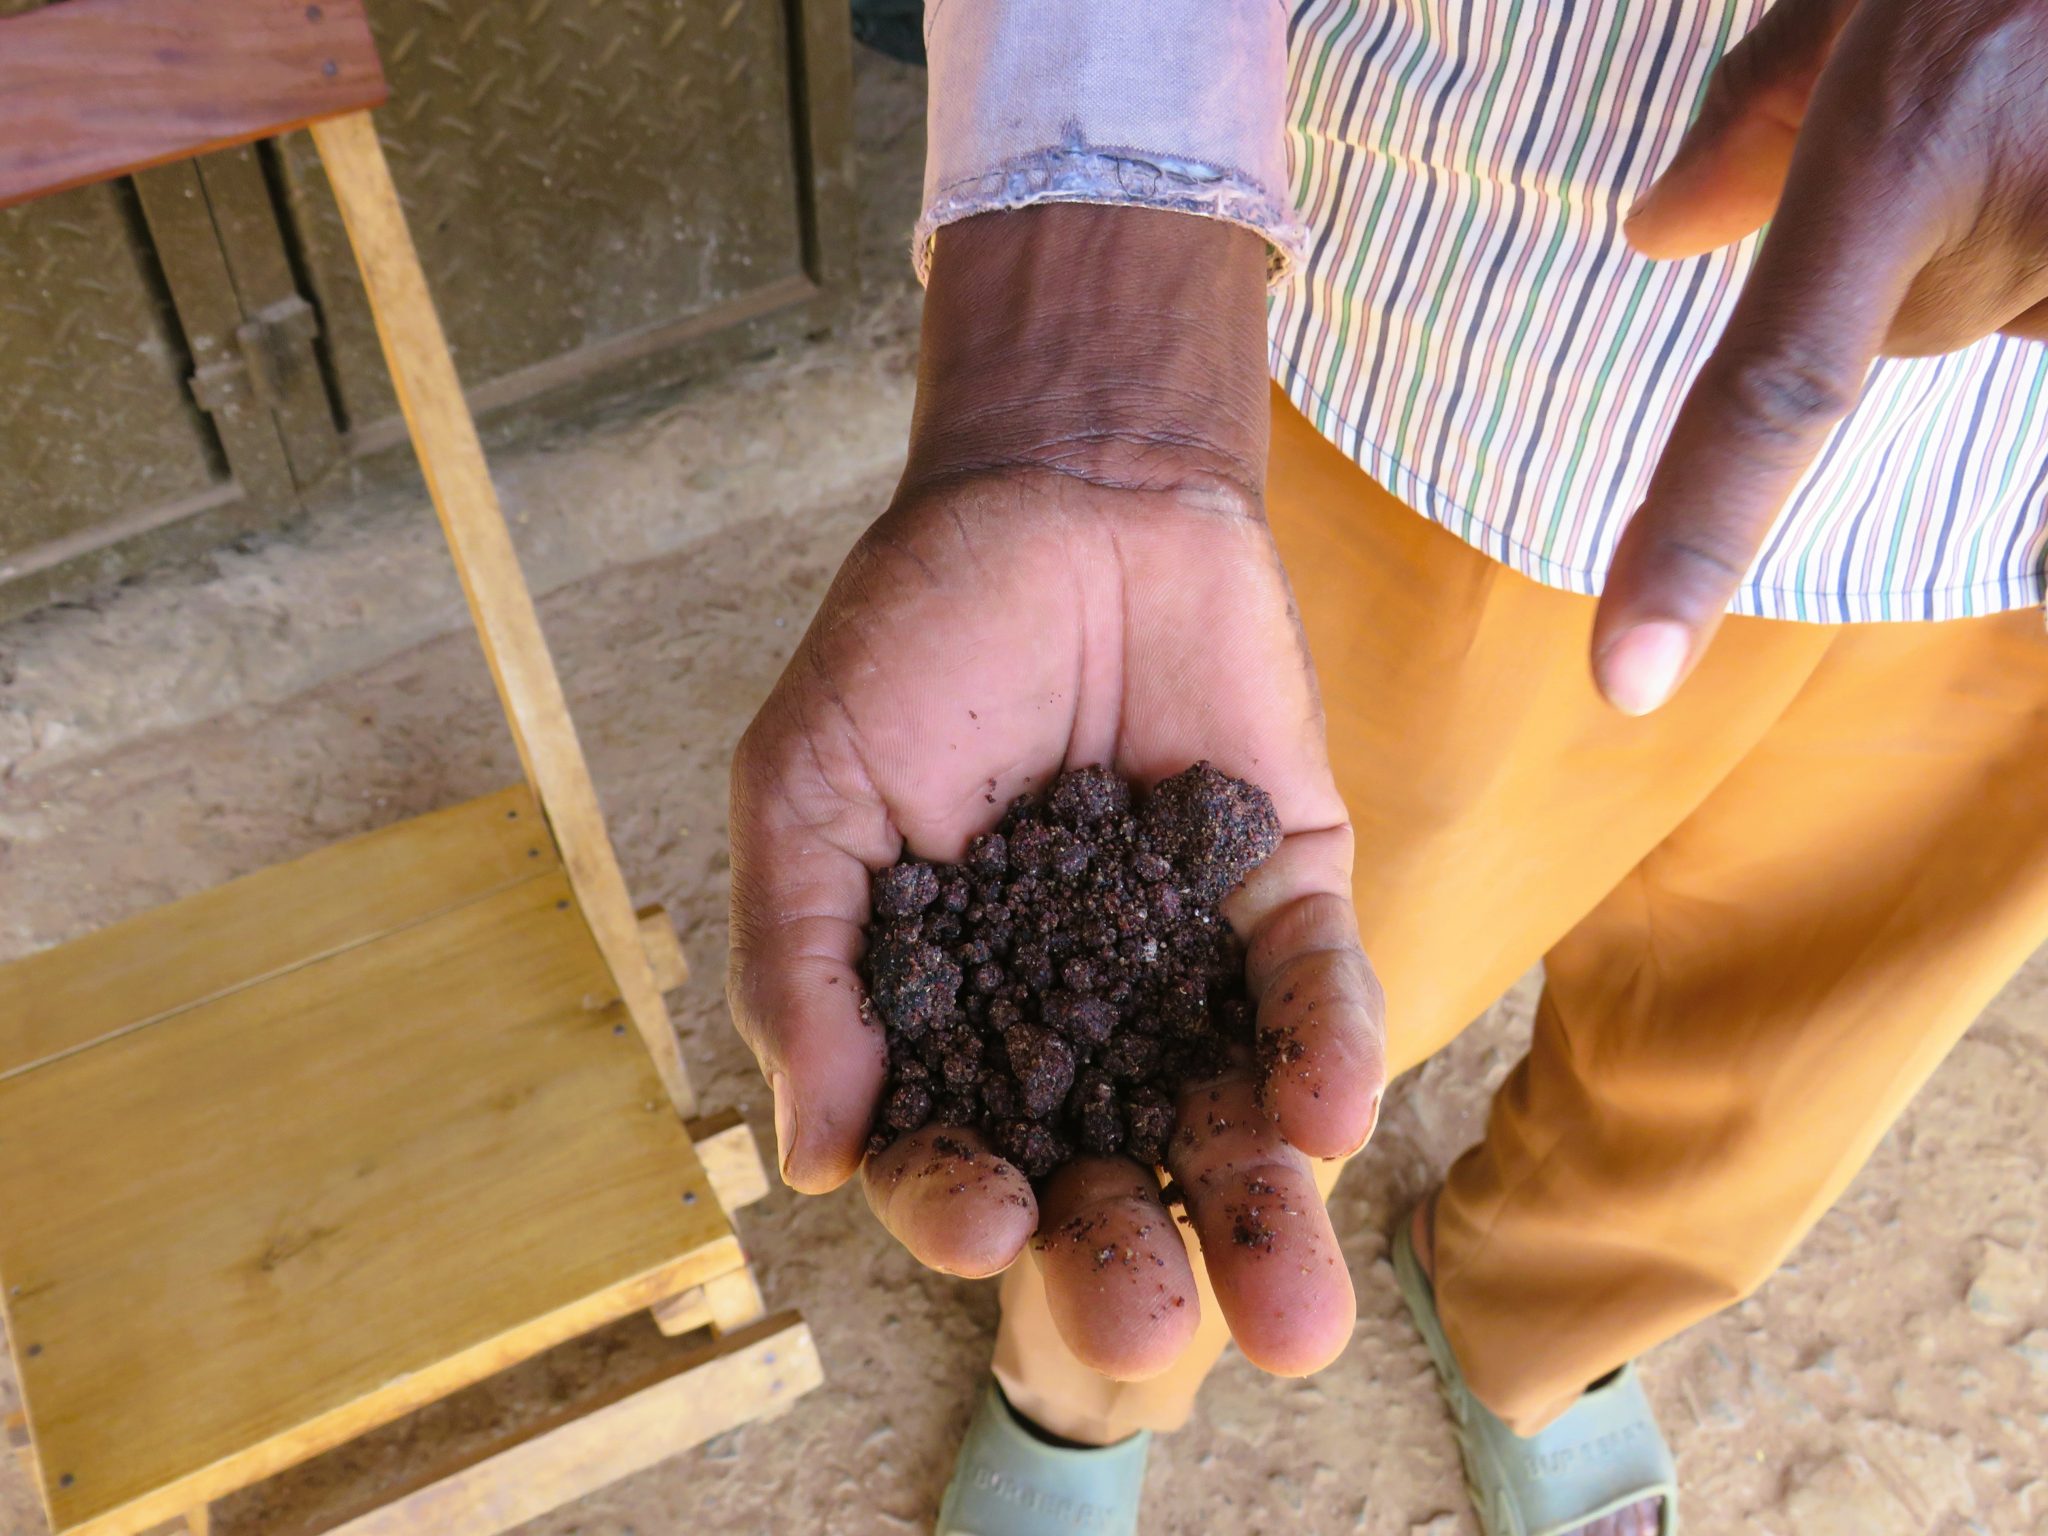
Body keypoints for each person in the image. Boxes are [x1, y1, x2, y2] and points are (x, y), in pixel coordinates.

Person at [727, 1, 2048, 1531]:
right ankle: (1083, 1395)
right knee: (1295, 1023)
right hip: (1493, 365)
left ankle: (1547, 1327)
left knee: (1784, 1048)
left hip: (2007, 533)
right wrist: (1088, 374)